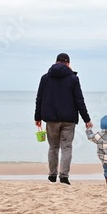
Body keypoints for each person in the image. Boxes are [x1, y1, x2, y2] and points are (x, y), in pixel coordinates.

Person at [34, 53, 93, 185]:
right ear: (68, 64)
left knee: (53, 147)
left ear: (56, 62)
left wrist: (37, 117)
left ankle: (52, 176)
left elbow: (39, 99)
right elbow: (79, 101)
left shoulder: (45, 78)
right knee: (66, 147)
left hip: (50, 119)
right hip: (68, 119)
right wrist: (87, 119)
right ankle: (64, 176)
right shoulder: (73, 79)